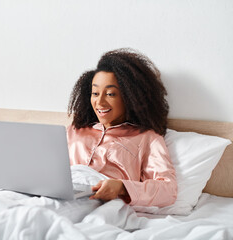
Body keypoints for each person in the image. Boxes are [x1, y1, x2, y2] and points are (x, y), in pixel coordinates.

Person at [67, 48, 177, 207]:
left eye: (110, 94)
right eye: (95, 93)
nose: (100, 102)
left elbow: (168, 190)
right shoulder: (74, 130)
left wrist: (122, 187)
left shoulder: (147, 138)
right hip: (63, 198)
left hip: (101, 205)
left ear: (130, 96)